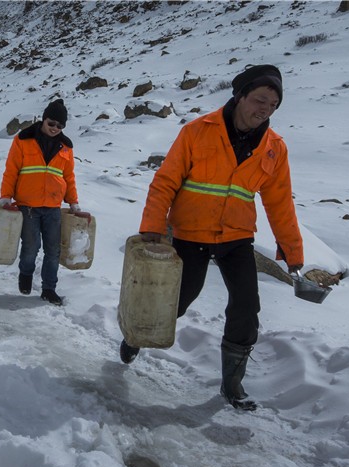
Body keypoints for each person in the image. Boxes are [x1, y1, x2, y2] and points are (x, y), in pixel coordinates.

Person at [128, 64, 304, 412]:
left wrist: (293, 253)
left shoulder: (274, 148)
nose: (265, 110)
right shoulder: (198, 131)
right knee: (178, 300)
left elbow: (280, 203)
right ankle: (135, 335)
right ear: (240, 96)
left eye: (273, 105)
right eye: (260, 100)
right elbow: (165, 182)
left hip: (236, 236)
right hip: (190, 232)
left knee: (246, 306)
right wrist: (152, 227)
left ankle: (232, 383)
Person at [0, 99, 81, 306]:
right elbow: (11, 170)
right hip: (28, 205)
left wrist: (73, 202)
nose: (55, 128)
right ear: (44, 119)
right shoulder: (23, 139)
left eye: (60, 126)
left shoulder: (66, 147)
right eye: (51, 123)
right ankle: (25, 274)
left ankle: (49, 289)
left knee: (53, 250)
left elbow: (69, 177)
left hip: (53, 207)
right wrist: (6, 196)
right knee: (31, 247)